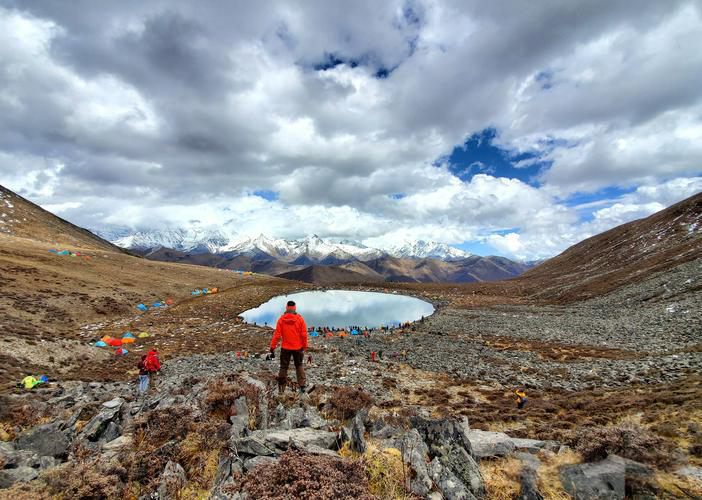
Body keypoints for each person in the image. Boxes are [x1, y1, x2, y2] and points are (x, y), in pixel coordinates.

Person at [270, 300, 308, 395]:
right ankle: (302, 387)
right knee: (299, 366)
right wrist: (305, 346)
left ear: (286, 308)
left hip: (285, 348)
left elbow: (277, 335)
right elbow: (304, 335)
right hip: (298, 348)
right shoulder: (300, 319)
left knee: (283, 367)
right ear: (295, 308)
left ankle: (281, 388)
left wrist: (272, 346)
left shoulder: (281, 319)